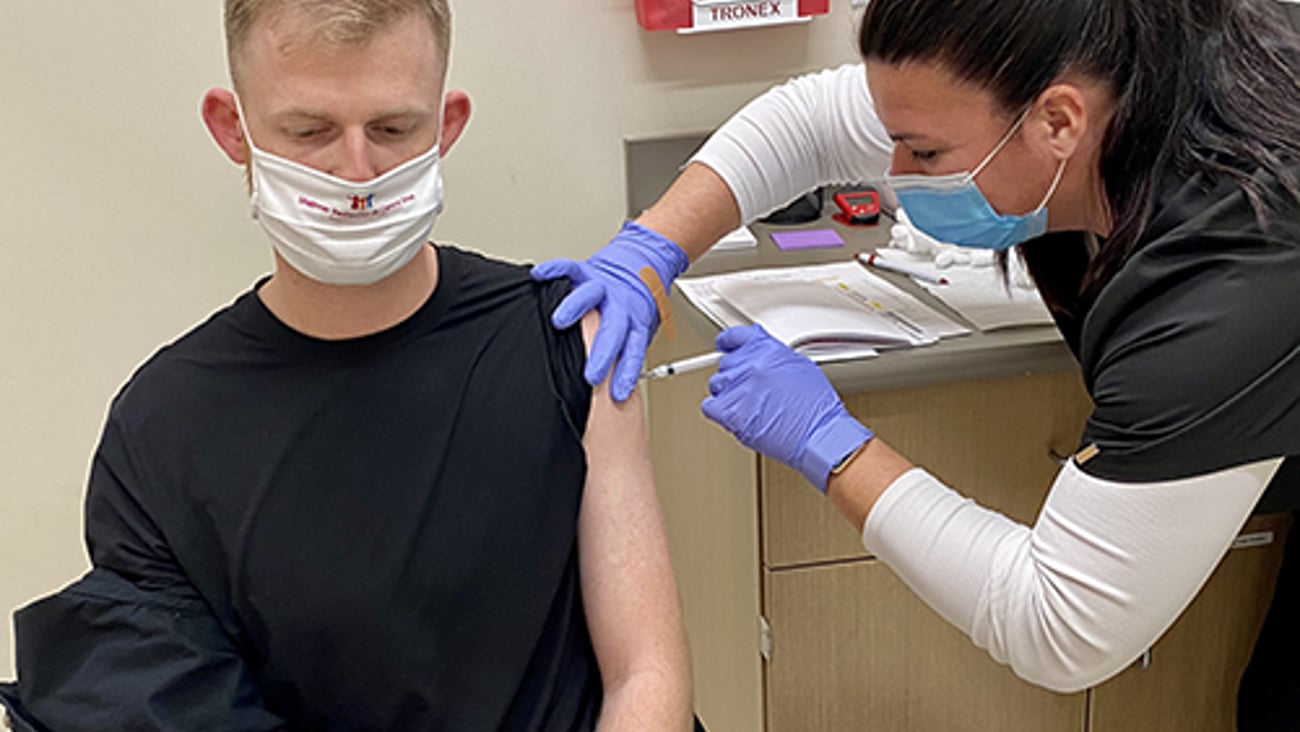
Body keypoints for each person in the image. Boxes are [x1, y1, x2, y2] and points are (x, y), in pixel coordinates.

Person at [534, 0, 1300, 726]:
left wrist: (833, 445)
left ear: (1059, 120)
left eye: (924, 153)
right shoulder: (1116, 62)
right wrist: (654, 245)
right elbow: (814, 124)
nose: (895, 173)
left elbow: (1061, 628)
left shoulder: (1229, 277)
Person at [0, 1, 695, 730]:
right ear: (234, 129)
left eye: (394, 129)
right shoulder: (161, 430)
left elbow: (646, 675)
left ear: (447, 125)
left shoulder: (565, 337)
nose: (356, 174)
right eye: (309, 132)